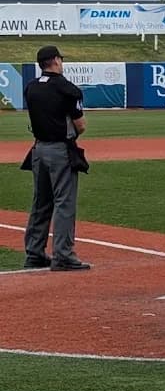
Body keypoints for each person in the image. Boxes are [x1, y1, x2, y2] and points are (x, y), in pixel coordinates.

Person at [22, 46, 91, 271]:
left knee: (41, 202)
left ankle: (34, 252)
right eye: (60, 59)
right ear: (54, 61)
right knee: (64, 202)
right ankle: (63, 255)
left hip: (38, 149)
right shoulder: (68, 89)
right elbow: (80, 125)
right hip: (60, 150)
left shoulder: (31, 87)